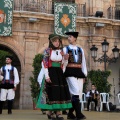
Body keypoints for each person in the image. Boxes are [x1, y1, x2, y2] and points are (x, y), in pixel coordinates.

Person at [36, 34, 72, 120]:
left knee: (59, 93)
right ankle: (50, 112)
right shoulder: (47, 51)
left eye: (58, 41)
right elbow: (44, 64)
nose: (57, 43)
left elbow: (63, 65)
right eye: (54, 41)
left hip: (59, 73)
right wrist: (47, 76)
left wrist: (66, 59)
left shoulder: (61, 51)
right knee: (51, 93)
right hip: (51, 72)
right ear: (51, 42)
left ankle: (58, 113)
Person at [63, 31, 87, 120]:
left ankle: (70, 113)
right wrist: (65, 59)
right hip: (70, 72)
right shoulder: (65, 49)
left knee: (78, 95)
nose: (69, 38)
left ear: (75, 38)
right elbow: (64, 63)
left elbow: (83, 63)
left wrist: (84, 75)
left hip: (79, 73)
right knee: (75, 91)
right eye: (68, 37)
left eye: (70, 36)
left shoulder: (81, 50)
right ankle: (79, 114)